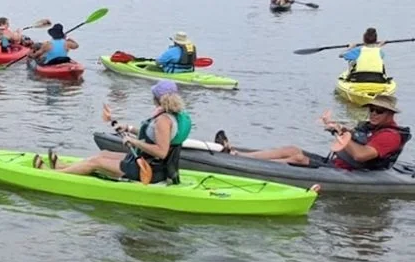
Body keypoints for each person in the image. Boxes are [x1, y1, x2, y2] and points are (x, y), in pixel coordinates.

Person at [36, 80, 191, 186]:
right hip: (150, 163)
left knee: (95, 163)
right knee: (102, 154)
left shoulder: (164, 119)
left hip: (149, 170)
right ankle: (63, 167)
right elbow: (157, 135)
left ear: (157, 98)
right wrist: (129, 129)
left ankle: (53, 175)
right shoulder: (177, 115)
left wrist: (134, 142)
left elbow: (162, 152)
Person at [222, 95, 409, 171]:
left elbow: (360, 155)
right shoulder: (372, 127)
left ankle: (244, 164)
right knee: (292, 148)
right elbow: (354, 136)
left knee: (298, 158)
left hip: (351, 172)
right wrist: (338, 128)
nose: (374, 114)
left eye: (379, 111)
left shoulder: (389, 136)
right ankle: (239, 155)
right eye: (372, 110)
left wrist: (342, 137)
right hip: (337, 164)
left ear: (390, 114)